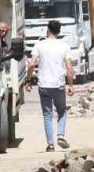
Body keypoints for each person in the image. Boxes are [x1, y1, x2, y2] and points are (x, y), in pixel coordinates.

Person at [28, 20, 74, 152]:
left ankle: (51, 144)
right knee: (61, 111)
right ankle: (60, 135)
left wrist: (29, 80)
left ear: (47, 30)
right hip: (58, 84)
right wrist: (70, 85)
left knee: (47, 115)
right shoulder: (64, 46)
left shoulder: (39, 45)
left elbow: (31, 65)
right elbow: (69, 67)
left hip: (43, 85)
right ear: (59, 32)